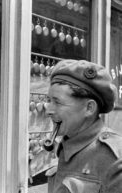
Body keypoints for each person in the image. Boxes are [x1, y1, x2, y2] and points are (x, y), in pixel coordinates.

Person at [44, 59, 122, 193]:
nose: (48, 110)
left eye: (57, 102)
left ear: (89, 108)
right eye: (49, 100)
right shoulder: (65, 145)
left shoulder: (115, 160)